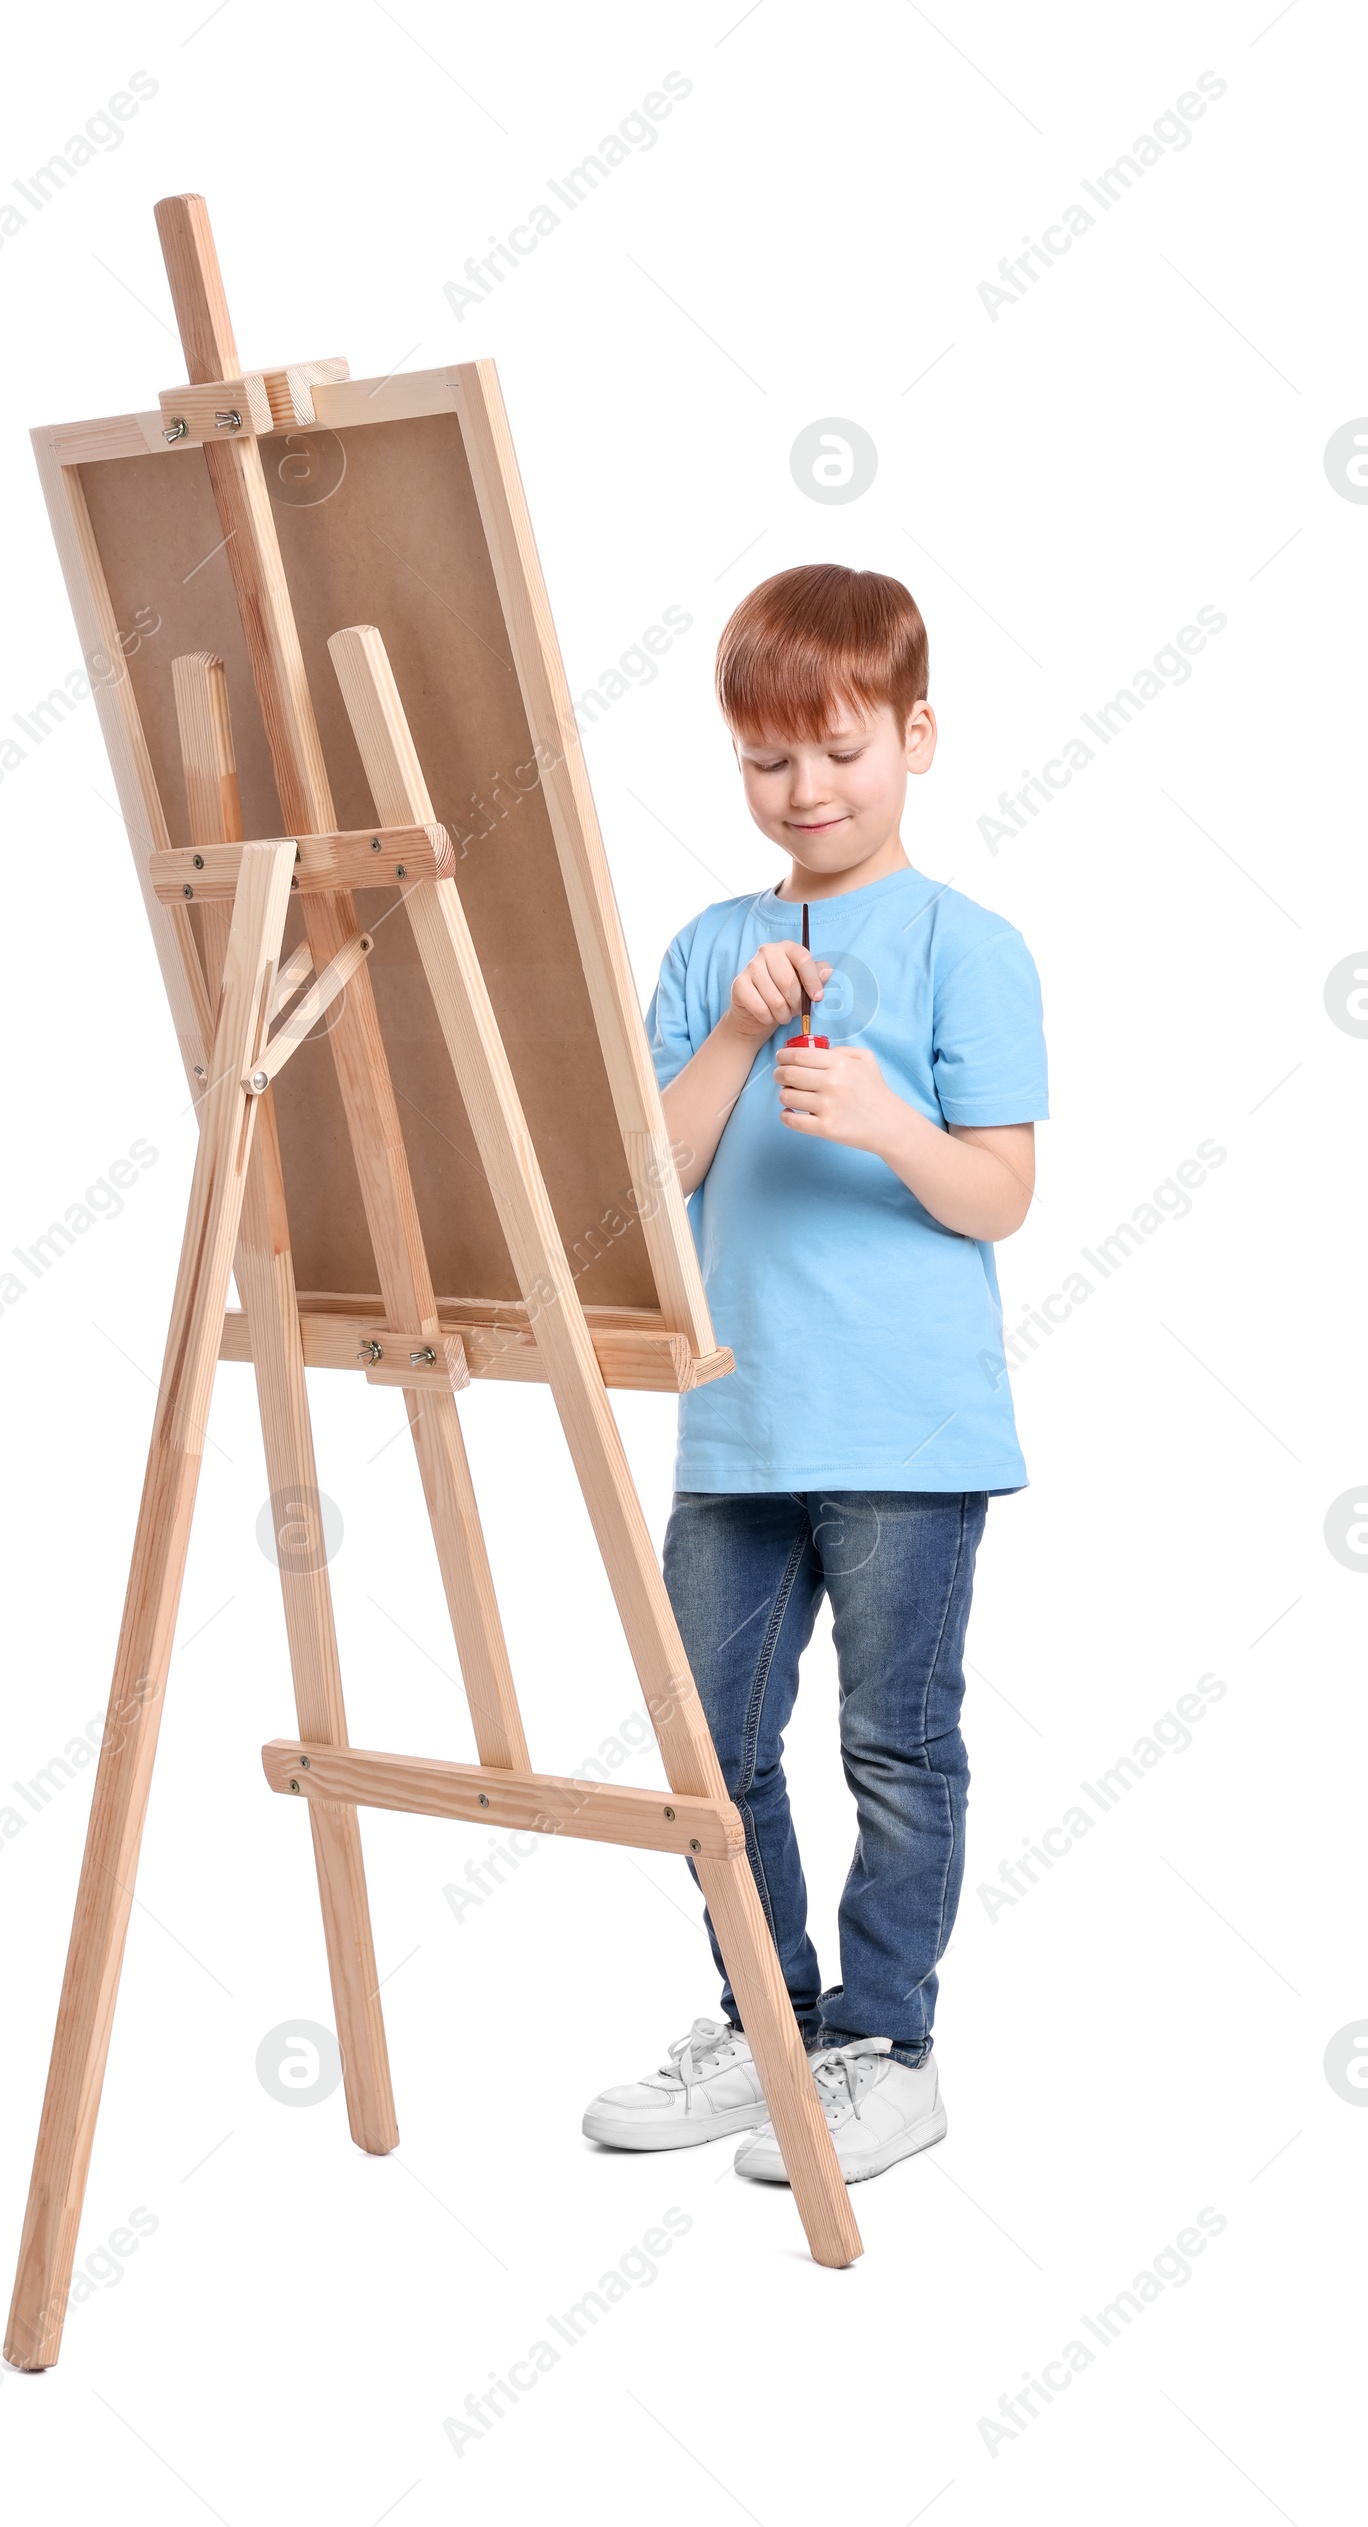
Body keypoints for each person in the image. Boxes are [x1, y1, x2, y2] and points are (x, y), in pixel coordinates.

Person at [582, 563, 1048, 2186]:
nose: (809, 790)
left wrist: (886, 1119)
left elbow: (1001, 1191)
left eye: (841, 750)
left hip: (908, 1432)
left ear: (914, 736)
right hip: (739, 1419)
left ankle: (887, 2048)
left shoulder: (966, 947)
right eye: (770, 761)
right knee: (712, 1744)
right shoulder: (712, 945)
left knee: (894, 1749)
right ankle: (766, 2026)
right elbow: (645, 1183)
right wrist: (729, 1041)